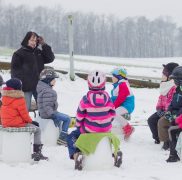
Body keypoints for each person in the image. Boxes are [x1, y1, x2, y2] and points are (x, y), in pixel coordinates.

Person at [67, 70, 122, 170]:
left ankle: (76, 155)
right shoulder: (108, 98)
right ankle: (114, 154)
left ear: (89, 84)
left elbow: (79, 116)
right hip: (106, 130)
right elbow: (113, 113)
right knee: (106, 138)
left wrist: (79, 126)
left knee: (72, 136)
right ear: (104, 83)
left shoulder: (85, 99)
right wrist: (106, 122)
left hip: (90, 130)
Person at [0, 78, 48, 161]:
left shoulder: (4, 97)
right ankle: (37, 153)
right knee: (37, 130)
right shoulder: (19, 98)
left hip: (5, 122)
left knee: (29, 126)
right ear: (18, 87)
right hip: (16, 123)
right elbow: (24, 114)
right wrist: (32, 121)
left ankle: (26, 144)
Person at [11, 31, 55, 111]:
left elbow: (50, 58)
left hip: (39, 87)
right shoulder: (18, 54)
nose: (33, 43)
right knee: (24, 110)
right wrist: (21, 85)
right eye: (31, 40)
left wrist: (44, 44)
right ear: (26, 40)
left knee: (44, 109)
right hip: (25, 88)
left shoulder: (38, 52)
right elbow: (15, 73)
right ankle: (24, 123)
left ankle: (41, 123)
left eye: (35, 41)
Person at [37, 68, 71, 146]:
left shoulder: (43, 89)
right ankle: (62, 139)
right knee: (67, 119)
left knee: (60, 120)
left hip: (45, 113)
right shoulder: (48, 91)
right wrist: (53, 114)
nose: (55, 81)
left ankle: (60, 134)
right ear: (48, 81)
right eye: (53, 80)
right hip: (48, 114)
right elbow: (46, 105)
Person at [148, 63, 178, 145]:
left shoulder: (174, 87)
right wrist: (159, 109)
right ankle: (157, 137)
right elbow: (160, 99)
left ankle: (167, 141)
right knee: (151, 120)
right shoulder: (164, 86)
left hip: (170, 112)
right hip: (163, 110)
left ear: (170, 76)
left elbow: (173, 102)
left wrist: (166, 112)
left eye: (164, 74)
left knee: (162, 121)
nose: (162, 75)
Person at [111, 67, 135, 139]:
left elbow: (121, 98)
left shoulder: (123, 85)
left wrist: (113, 107)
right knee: (113, 112)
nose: (112, 78)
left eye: (113, 76)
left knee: (115, 112)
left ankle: (128, 128)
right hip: (122, 105)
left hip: (127, 105)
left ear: (119, 77)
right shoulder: (117, 85)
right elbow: (114, 98)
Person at [164, 66, 182, 162]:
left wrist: (176, 115)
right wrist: (169, 111)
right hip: (177, 116)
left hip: (180, 117)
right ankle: (173, 153)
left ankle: (174, 155)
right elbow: (172, 103)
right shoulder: (178, 89)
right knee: (171, 128)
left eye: (175, 79)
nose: (174, 81)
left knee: (172, 130)